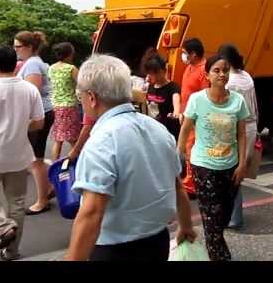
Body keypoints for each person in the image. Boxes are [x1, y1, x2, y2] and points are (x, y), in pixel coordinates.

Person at [64, 55, 196, 261]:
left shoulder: (101, 141)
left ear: (91, 97)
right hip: (157, 241)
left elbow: (92, 213)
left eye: (79, 95)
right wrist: (186, 225)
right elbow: (177, 186)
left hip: (115, 250)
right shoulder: (158, 129)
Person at [0, 45, 45, 261]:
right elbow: (39, 123)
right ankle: (11, 251)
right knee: (17, 203)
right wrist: (20, 126)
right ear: (16, 64)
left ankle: (4, 227)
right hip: (19, 154)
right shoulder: (29, 89)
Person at [178, 54, 250, 261]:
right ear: (207, 74)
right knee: (211, 222)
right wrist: (179, 153)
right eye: (216, 70)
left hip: (231, 166)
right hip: (204, 167)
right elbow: (186, 128)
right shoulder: (197, 100)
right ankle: (221, 258)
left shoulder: (238, 100)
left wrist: (242, 163)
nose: (222, 74)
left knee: (224, 217)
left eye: (225, 70)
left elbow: (242, 133)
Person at [217, 43, 259, 230]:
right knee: (237, 173)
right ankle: (234, 215)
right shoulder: (246, 75)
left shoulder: (230, 81)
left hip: (238, 128)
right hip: (251, 125)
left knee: (231, 172)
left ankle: (233, 217)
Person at [14, 30, 55, 215]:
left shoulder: (32, 65)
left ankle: (42, 200)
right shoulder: (33, 63)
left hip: (39, 115)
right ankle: (48, 188)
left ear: (30, 47)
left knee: (35, 160)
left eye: (18, 46)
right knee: (35, 159)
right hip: (42, 113)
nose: (16, 50)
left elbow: (31, 92)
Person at [179, 38, 210, 197]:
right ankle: (190, 181)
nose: (183, 56)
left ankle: (192, 185)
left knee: (192, 150)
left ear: (194, 54)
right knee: (187, 149)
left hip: (196, 119)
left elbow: (204, 97)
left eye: (185, 53)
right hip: (187, 116)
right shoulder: (190, 68)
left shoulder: (204, 70)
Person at [48, 42, 80, 161]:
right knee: (74, 139)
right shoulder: (71, 68)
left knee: (59, 139)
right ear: (70, 54)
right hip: (69, 106)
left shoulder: (51, 68)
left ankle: (54, 166)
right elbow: (82, 84)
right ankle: (78, 163)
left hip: (55, 106)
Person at [144, 53, 181, 139]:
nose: (149, 77)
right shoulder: (150, 86)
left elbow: (177, 104)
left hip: (168, 133)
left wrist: (175, 114)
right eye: (148, 73)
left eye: (152, 74)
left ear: (163, 71)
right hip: (152, 130)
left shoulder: (173, 87)